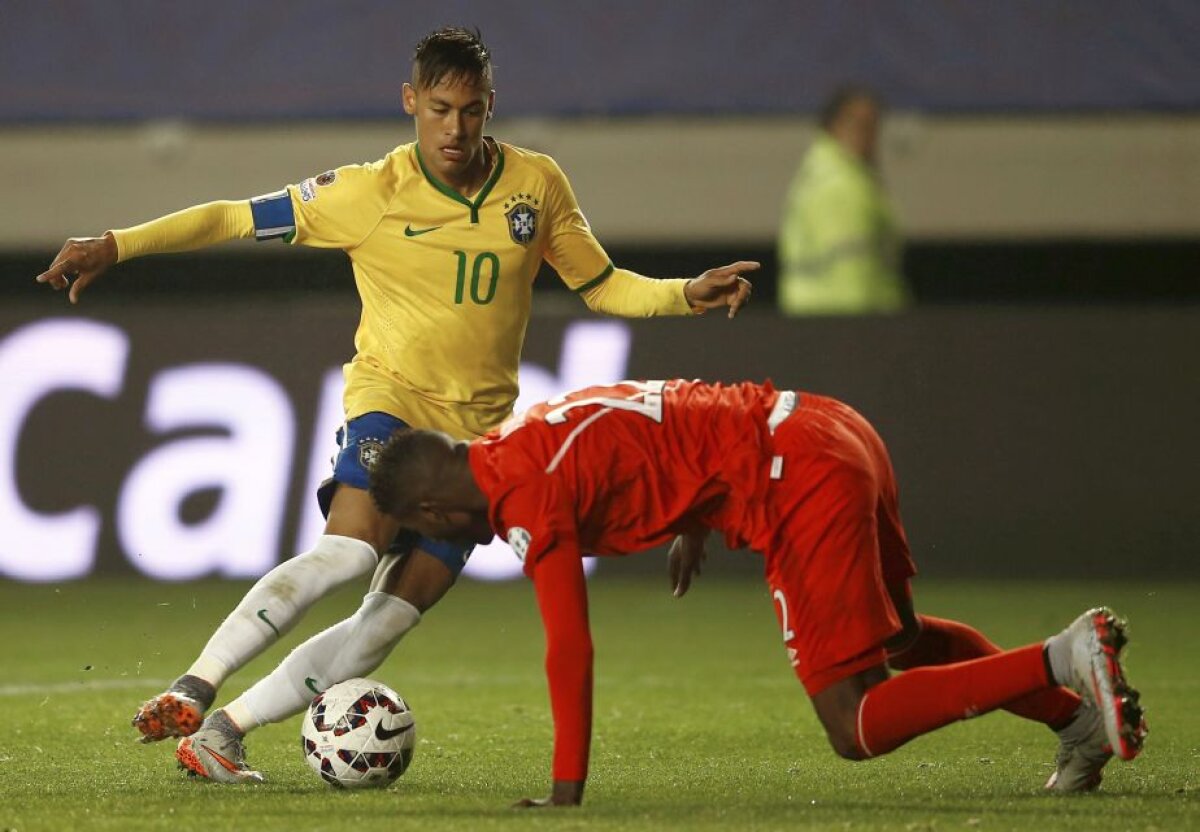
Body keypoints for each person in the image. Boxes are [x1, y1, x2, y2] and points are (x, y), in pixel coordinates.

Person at [35, 28, 755, 783]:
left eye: (471, 111)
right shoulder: (368, 192)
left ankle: (222, 732)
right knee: (348, 550)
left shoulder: (535, 185)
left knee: (388, 620)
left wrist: (682, 294)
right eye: (440, 108)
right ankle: (197, 681)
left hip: (476, 444)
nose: (455, 128)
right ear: (411, 101)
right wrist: (116, 245)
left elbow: (601, 283)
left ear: (489, 107)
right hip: (391, 402)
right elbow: (232, 216)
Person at [367, 379, 1148, 806]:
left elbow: (570, 646)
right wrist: (693, 513)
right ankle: (1076, 726)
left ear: (433, 512)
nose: (430, 540)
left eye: (418, 528)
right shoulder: (520, 434)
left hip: (795, 478)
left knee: (855, 723)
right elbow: (648, 412)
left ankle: (1060, 656)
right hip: (830, 425)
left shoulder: (527, 497)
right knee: (902, 641)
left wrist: (565, 791)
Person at [777, 85, 909, 315]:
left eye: (872, 126)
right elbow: (851, 271)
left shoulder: (820, 175)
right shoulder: (841, 185)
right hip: (844, 322)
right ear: (833, 126)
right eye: (858, 124)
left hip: (817, 318)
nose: (868, 136)